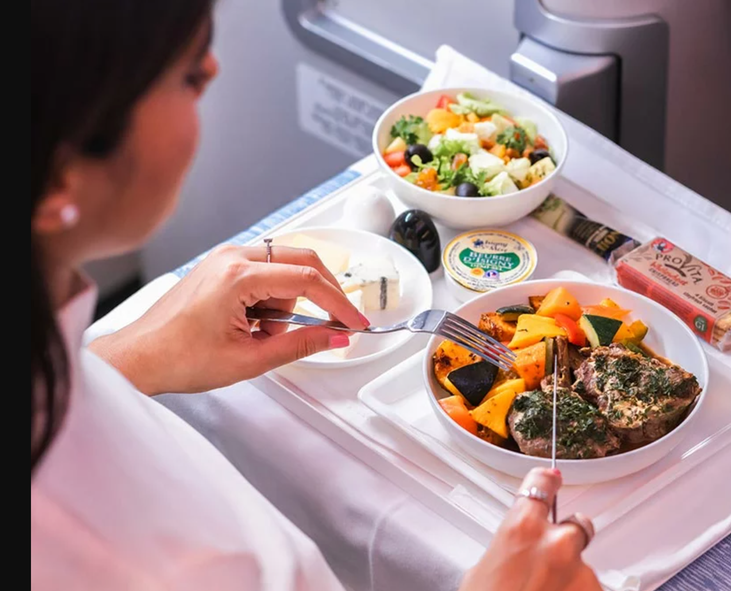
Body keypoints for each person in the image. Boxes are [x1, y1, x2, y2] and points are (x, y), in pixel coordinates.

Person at [30, 1, 602, 590]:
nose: (216, 70)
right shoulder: (141, 560)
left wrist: (126, 360)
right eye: (188, 74)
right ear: (58, 180)